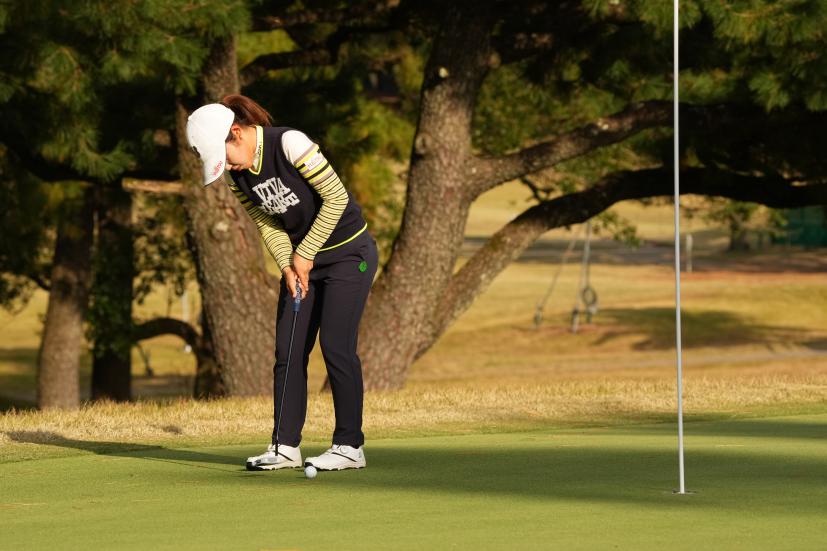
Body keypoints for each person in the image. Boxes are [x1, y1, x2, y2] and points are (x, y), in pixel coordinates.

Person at [186, 95, 378, 471]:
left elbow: (336, 198)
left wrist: (304, 254)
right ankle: (285, 446)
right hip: (302, 264)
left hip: (348, 255)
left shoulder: (290, 143)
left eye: (225, 156)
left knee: (336, 346)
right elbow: (267, 222)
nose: (227, 166)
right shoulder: (237, 175)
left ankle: (349, 446)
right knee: (288, 350)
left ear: (236, 132)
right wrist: (288, 266)